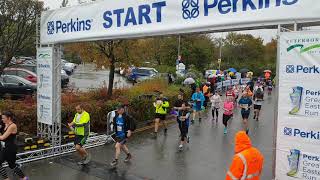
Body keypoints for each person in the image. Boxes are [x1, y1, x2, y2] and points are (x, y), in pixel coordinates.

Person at [0, 111, 28, 180]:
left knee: (12, 165)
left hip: (10, 149)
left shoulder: (12, 126)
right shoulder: (5, 124)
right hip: (5, 148)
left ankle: (24, 177)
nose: (2, 119)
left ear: (9, 118)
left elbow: (2, 137)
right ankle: (6, 178)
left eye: (3, 118)